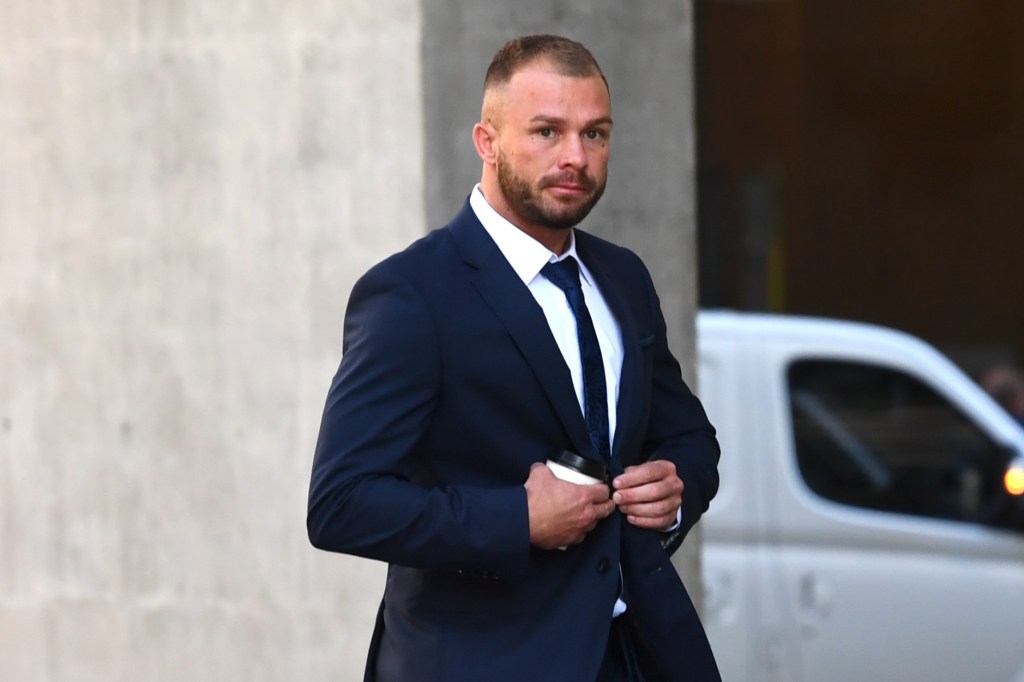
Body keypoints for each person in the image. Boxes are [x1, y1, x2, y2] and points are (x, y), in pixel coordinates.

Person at [307, 34, 721, 682]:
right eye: (547, 132)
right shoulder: (412, 295)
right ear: (487, 141)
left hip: (638, 652)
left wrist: (675, 487)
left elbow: (690, 437)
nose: (575, 158)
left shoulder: (623, 277)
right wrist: (516, 519)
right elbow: (342, 503)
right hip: (483, 662)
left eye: (596, 134)